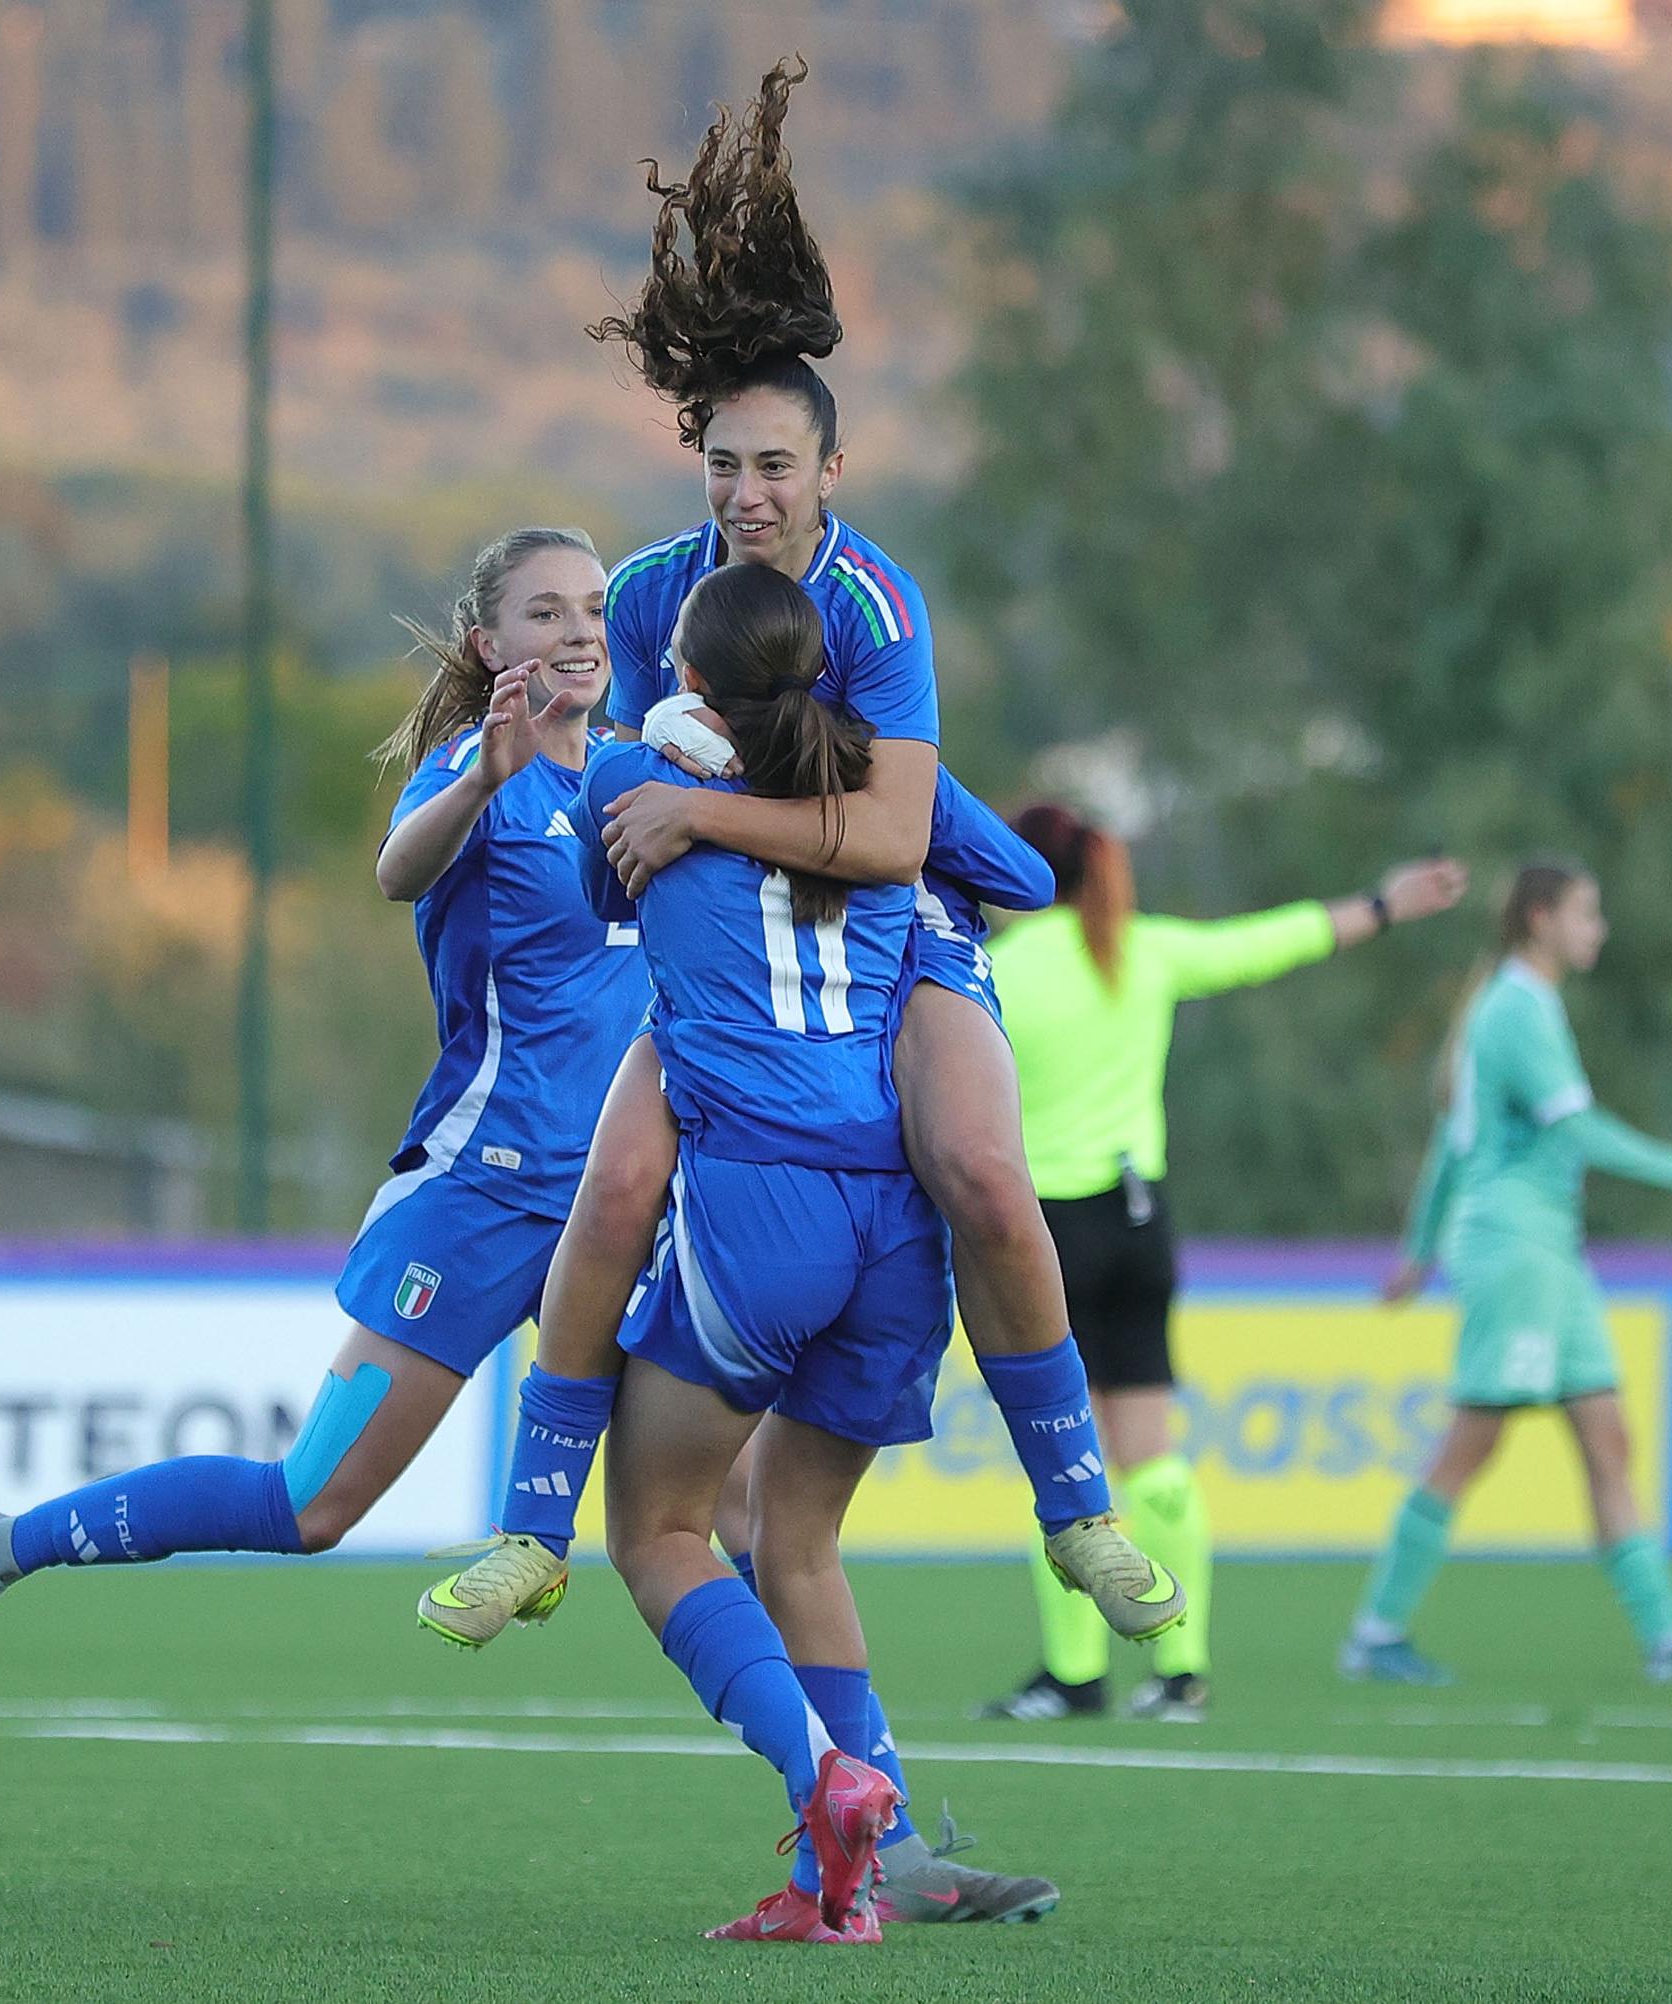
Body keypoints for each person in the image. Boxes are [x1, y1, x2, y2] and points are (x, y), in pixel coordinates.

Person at [430, 57, 1181, 1662]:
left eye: (776, 466)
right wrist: (653, 818)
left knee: (986, 1169)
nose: (745, 493)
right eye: (720, 463)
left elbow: (902, 839)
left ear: (832, 473)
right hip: (741, 954)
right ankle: (524, 1536)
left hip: (903, 931)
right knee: (616, 1186)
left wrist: (697, 812)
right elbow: (637, 801)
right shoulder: (647, 596)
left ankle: (1078, 1511)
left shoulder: (880, 604)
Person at [0, 528, 647, 1687]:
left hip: (622, 1197)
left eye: (592, 607)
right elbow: (398, 868)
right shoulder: (475, 773)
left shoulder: (640, 777)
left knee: (722, 1510)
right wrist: (486, 774)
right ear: (491, 642)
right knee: (311, 1504)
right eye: (546, 613)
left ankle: (849, 1800)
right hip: (483, 1196)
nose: (579, 629)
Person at [582, 560, 967, 1943]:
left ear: (684, 677)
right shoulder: (874, 824)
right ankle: (837, 1887)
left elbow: (592, 895)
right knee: (792, 1535)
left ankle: (828, 1778)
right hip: (898, 1222)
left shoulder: (637, 781)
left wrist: (669, 774)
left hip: (768, 1210)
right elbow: (1017, 870)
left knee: (659, 1531)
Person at [976, 807, 1467, 1724]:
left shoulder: (998, 969)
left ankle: (1074, 1676)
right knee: (1151, 1461)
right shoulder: (1141, 950)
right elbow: (1269, 942)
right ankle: (1182, 1671)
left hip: (1045, 1234)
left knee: (1060, 1462)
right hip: (1139, 1223)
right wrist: (1383, 905)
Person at [1342, 859, 1672, 1687]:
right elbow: (1582, 1133)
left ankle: (1667, 1640)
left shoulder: (1518, 1005)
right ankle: (1377, 1631)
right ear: (1540, 920)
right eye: (1587, 913)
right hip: (1515, 1251)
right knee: (1472, 1445)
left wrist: (1417, 1253)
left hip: (1552, 1253)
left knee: (1608, 1438)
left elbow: (1452, 1146)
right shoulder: (1517, 1009)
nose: (1598, 929)